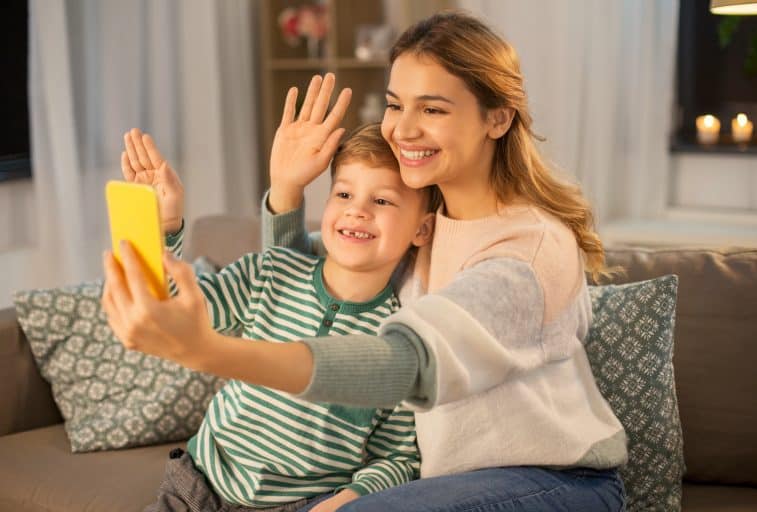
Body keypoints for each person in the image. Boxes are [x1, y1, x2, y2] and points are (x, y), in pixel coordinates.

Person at [104, 11, 628, 511]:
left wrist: (210, 351)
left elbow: (406, 363)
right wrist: (285, 190)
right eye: (396, 104)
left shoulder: (528, 251)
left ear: (497, 117)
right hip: (450, 481)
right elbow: (294, 278)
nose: (402, 128)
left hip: (549, 479)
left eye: (434, 109)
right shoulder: (416, 229)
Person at [107, 117, 440, 511]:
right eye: (344, 194)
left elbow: (397, 458)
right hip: (199, 485)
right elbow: (175, 308)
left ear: (423, 229)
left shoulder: (396, 340)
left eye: (381, 201)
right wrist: (163, 225)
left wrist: (348, 500)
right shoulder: (270, 270)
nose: (358, 211)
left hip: (300, 503)